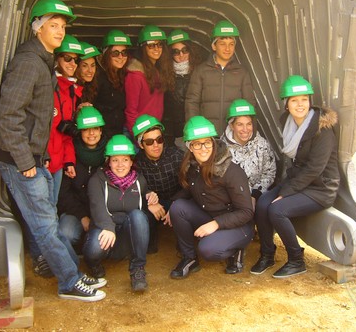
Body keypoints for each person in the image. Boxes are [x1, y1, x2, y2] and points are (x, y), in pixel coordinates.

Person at [0, 0, 106, 302]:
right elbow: (9, 116)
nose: (59, 31)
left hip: (36, 158)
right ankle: (69, 282)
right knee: (44, 224)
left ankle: (72, 272)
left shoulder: (42, 60)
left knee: (48, 222)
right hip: (20, 160)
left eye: (62, 26)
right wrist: (25, 161)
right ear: (37, 29)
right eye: (52, 25)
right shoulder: (29, 64)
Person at [251, 75, 340, 278]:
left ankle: (296, 260)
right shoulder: (289, 123)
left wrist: (286, 192)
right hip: (299, 181)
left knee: (277, 209)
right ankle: (267, 254)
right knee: (263, 203)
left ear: (310, 101)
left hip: (320, 187)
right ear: (286, 104)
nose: (300, 104)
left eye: (304, 99)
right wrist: (286, 187)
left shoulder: (322, 129)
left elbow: (314, 169)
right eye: (294, 100)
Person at [169, 116, 254, 279]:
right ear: (189, 146)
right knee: (178, 208)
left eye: (207, 142)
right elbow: (189, 190)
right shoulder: (193, 167)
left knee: (208, 250)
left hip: (238, 224)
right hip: (210, 215)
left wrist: (216, 224)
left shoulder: (231, 171)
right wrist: (172, 205)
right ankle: (189, 258)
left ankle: (236, 249)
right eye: (197, 143)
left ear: (213, 143)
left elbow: (246, 212)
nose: (203, 148)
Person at [84, 134, 161, 292]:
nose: (120, 165)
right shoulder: (97, 180)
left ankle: (137, 269)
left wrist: (151, 199)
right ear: (108, 162)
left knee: (139, 216)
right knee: (93, 250)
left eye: (125, 160)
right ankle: (94, 264)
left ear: (131, 161)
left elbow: (144, 195)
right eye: (115, 160)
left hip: (125, 235)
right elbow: (97, 207)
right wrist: (108, 227)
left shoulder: (139, 180)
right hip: (105, 229)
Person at [185, 20, 256, 134]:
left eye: (231, 44)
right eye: (222, 44)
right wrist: (194, 130)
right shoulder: (201, 71)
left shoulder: (242, 72)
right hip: (208, 134)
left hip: (233, 135)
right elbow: (192, 102)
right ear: (214, 46)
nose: (227, 49)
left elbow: (250, 104)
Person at [57, 106, 107, 252]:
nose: (91, 133)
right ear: (79, 132)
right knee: (66, 233)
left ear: (101, 130)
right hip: (76, 211)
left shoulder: (110, 155)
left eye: (95, 128)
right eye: (86, 129)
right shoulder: (70, 157)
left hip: (102, 211)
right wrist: (82, 216)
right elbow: (63, 193)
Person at [132, 114, 183, 253]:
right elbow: (131, 189)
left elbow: (190, 186)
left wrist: (176, 204)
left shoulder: (176, 155)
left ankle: (185, 246)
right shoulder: (136, 164)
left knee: (184, 209)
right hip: (155, 203)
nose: (156, 145)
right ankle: (149, 243)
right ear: (141, 144)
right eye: (149, 142)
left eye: (159, 140)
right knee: (142, 213)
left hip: (177, 199)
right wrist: (147, 200)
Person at [48, 34, 84, 203]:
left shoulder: (71, 90)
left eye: (75, 60)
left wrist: (68, 160)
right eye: (67, 58)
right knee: (43, 213)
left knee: (52, 207)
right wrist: (43, 157)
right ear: (57, 59)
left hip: (58, 163)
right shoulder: (48, 85)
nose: (72, 64)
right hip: (44, 162)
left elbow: (66, 130)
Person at [222, 99, 276, 206]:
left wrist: (255, 195)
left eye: (249, 124)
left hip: (257, 196)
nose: (245, 129)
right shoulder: (221, 149)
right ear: (231, 126)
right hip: (231, 199)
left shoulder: (262, 144)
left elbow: (269, 173)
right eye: (240, 124)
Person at [124, 25, 174, 135]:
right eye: (151, 45)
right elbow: (131, 111)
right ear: (143, 48)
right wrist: (138, 137)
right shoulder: (135, 75)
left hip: (154, 129)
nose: (156, 49)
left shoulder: (158, 69)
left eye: (159, 44)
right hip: (140, 131)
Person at [162, 29, 203, 147]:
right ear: (170, 54)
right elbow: (166, 112)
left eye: (185, 50)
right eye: (176, 51)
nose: (181, 55)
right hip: (175, 133)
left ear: (191, 50)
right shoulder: (165, 75)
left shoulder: (200, 71)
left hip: (197, 128)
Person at [94, 29, 131, 139]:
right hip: (100, 136)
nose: (120, 57)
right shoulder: (97, 76)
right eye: (115, 53)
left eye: (124, 52)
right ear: (106, 54)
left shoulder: (125, 75)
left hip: (120, 132)